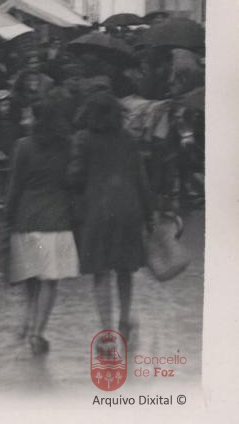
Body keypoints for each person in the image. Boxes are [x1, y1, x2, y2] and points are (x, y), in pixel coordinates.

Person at [67, 91, 154, 340]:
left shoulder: (83, 139)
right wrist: (149, 215)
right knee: (125, 269)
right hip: (128, 210)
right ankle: (124, 320)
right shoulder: (128, 139)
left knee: (100, 270)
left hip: (97, 212)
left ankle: (106, 330)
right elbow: (141, 180)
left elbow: (75, 177)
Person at [5, 94, 79, 356]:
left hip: (27, 216)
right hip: (57, 217)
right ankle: (38, 332)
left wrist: (8, 216)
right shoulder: (68, 145)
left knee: (31, 274)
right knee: (50, 279)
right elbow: (72, 181)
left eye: (28, 115)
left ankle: (28, 316)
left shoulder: (22, 146)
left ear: (37, 119)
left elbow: (15, 186)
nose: (23, 119)